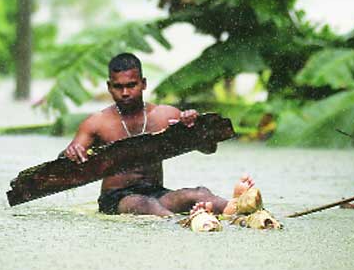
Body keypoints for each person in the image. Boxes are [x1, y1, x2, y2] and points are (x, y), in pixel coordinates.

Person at [64, 52, 255, 216]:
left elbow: (209, 149)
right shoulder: (97, 122)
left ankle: (241, 209)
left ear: (143, 83)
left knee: (199, 194)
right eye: (118, 87)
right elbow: (63, 166)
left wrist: (195, 130)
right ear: (109, 86)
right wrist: (70, 153)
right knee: (143, 204)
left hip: (156, 193)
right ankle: (185, 221)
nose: (125, 93)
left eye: (131, 85)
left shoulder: (166, 115)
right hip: (116, 199)